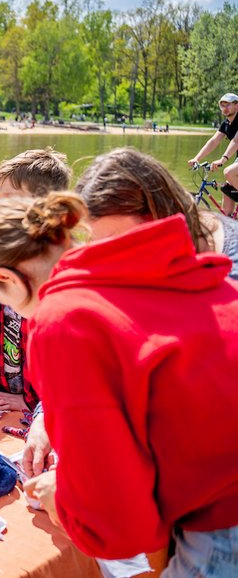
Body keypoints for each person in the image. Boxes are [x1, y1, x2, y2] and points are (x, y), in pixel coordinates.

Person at [0, 193, 238, 572]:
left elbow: (122, 525)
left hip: (221, 514)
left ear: (7, 279)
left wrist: (64, 500)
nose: (18, 314)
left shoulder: (60, 319)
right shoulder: (124, 271)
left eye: (6, 302)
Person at [21, 147, 238, 478]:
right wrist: (47, 414)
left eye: (118, 241)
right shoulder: (131, 254)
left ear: (159, 215)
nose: (111, 258)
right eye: (98, 245)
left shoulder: (229, 278)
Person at [0, 148, 71, 412]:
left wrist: (31, 400)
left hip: (44, 400)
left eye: (10, 199)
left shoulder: (58, 263)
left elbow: (62, 350)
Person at [188, 92, 238, 215]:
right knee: (227, 189)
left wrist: (222, 159)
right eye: (222, 106)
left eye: (228, 105)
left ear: (237, 105)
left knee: (228, 172)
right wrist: (197, 158)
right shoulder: (226, 124)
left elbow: (236, 141)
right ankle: (229, 221)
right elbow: (213, 141)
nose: (224, 108)